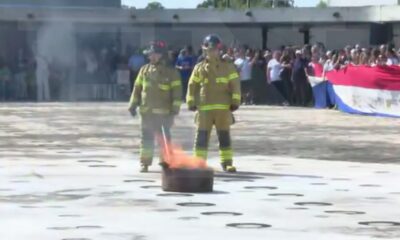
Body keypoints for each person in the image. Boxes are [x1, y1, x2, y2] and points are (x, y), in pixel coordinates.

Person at [186, 34, 240, 173]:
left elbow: (235, 84)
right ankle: (199, 163)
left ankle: (227, 163)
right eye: (209, 50)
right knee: (202, 137)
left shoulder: (228, 67)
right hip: (204, 109)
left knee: (224, 136)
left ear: (219, 50)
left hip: (223, 108)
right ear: (204, 51)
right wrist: (190, 101)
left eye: (215, 50)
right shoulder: (199, 68)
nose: (212, 52)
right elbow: (192, 85)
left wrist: (235, 101)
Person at [128, 41, 182, 173]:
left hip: (164, 113)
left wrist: (175, 109)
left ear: (161, 55)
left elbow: (177, 92)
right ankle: (145, 163)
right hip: (147, 112)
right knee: (146, 139)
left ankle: (166, 161)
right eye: (150, 54)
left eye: (154, 54)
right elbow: (137, 88)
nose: (151, 57)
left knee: (164, 138)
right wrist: (133, 104)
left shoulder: (171, 72)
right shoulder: (144, 70)